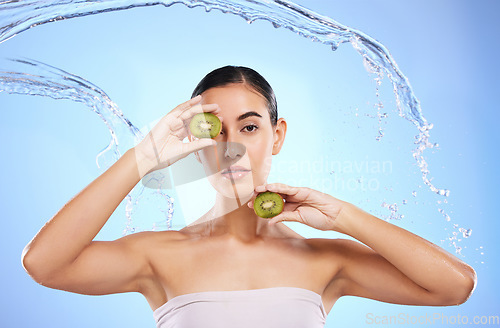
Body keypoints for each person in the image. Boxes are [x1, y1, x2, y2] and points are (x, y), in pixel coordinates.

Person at [21, 66, 476, 328]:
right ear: (192, 148)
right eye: (212, 131)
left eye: (250, 126)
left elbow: (455, 286)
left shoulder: (326, 260)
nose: (231, 145)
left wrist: (343, 216)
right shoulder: (158, 255)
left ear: (277, 137)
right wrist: (144, 157)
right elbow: (45, 264)